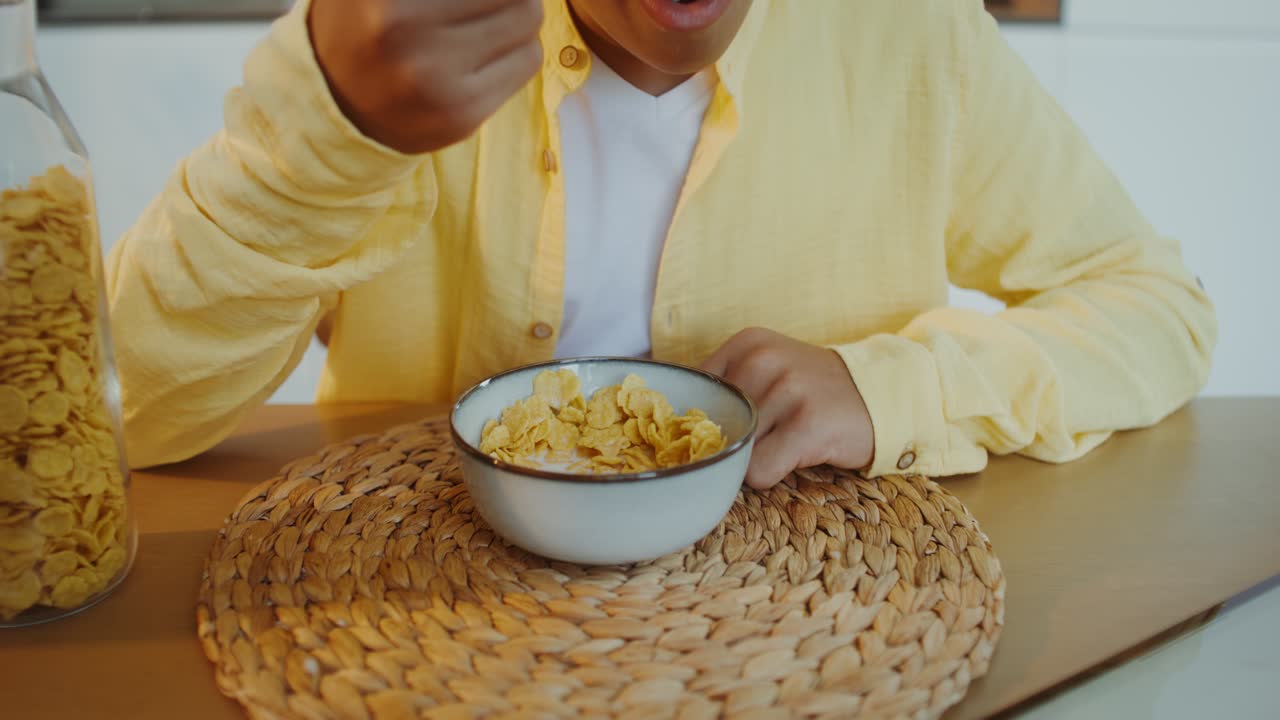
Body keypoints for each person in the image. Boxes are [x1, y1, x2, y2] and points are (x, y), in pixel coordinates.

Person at [105, 0, 1216, 488]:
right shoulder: (396, 38)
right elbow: (135, 409)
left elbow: (1153, 305)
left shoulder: (910, 34)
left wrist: (891, 391)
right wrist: (332, 128)